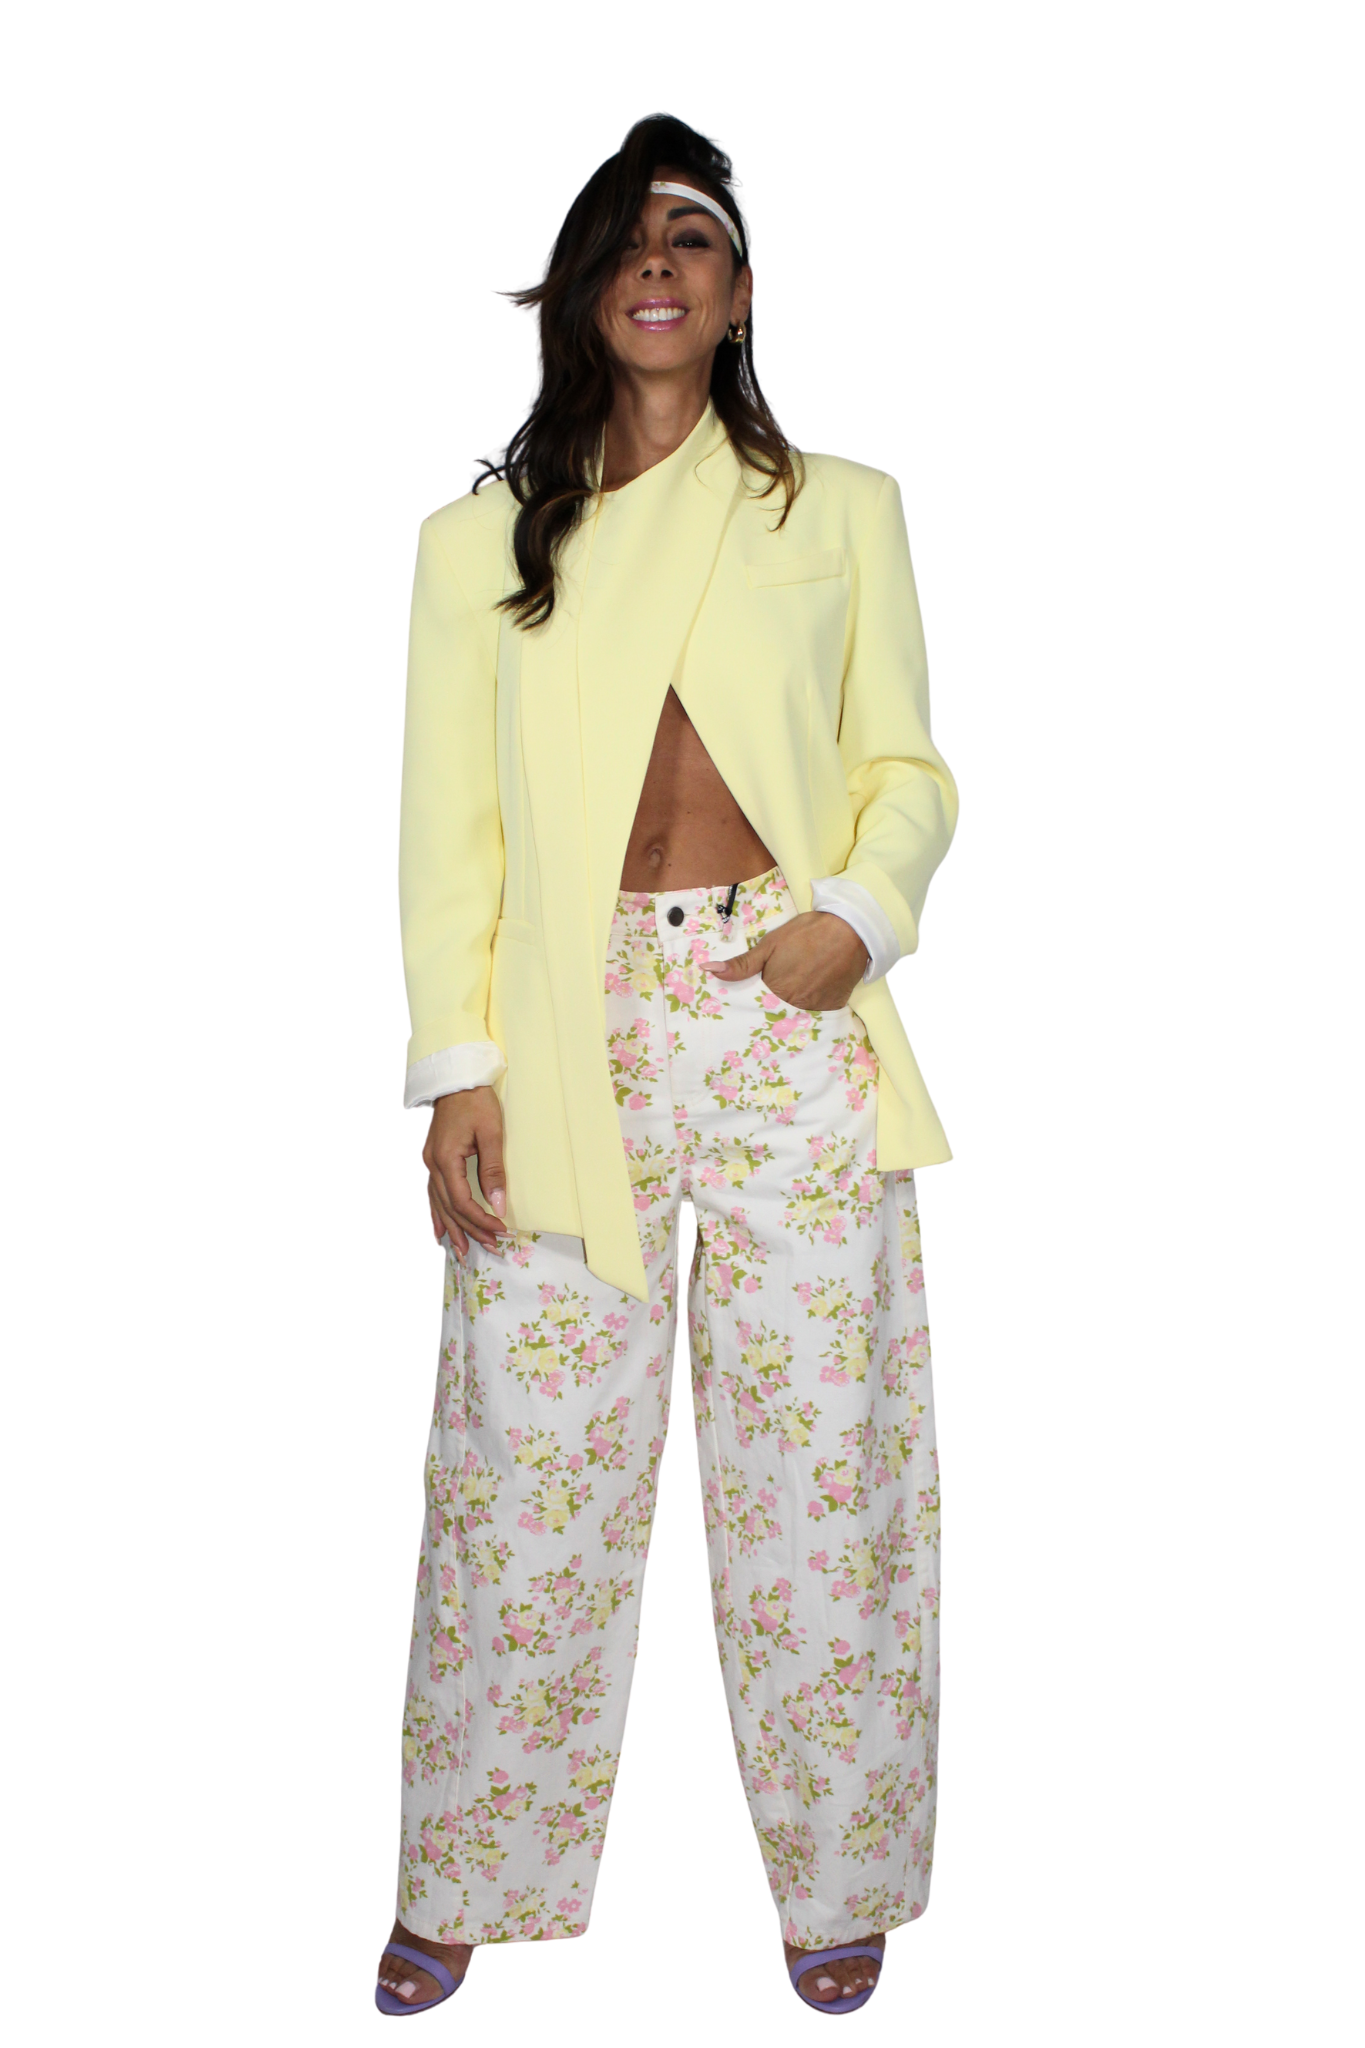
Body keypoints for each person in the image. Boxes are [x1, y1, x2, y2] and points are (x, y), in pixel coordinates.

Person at [376, 113, 957, 2018]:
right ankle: (468, 1864)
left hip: (783, 1003)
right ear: (579, 288)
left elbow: (906, 767)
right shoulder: (479, 547)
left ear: (739, 291)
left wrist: (856, 915)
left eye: (690, 236)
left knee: (821, 1460)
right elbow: (449, 832)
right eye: (624, 238)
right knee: (524, 1473)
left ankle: (841, 1873)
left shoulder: (837, 507)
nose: (656, 262)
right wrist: (461, 1065)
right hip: (567, 1024)